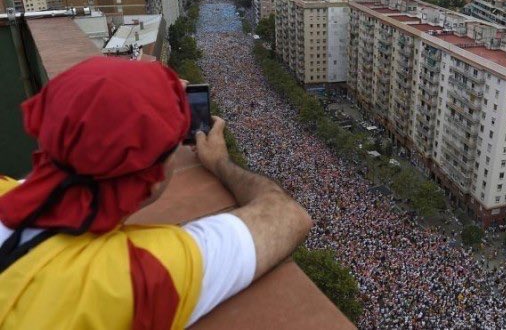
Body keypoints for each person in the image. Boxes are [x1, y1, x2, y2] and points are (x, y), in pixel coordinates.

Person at [0, 57, 312, 329]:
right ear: (154, 177)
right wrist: (219, 162)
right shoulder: (134, 278)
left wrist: (138, 97)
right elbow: (287, 216)